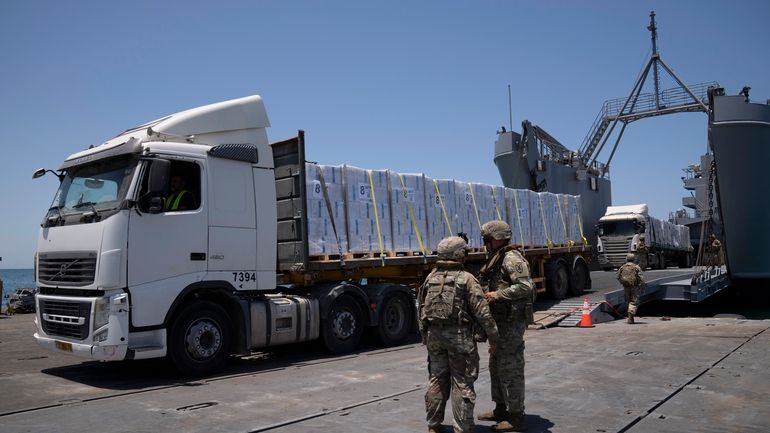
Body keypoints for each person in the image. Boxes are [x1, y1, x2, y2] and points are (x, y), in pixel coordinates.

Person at [418, 236, 499, 433]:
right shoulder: (466, 279)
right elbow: (482, 312)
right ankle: (461, 428)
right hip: (460, 338)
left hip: (434, 336)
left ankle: (434, 426)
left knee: (436, 379)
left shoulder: (431, 277)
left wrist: (425, 337)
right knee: (461, 382)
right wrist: (493, 337)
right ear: (460, 255)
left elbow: (421, 310)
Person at [477, 220, 534, 432]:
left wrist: (497, 295)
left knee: (511, 369)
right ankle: (501, 408)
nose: (485, 243)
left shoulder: (511, 259)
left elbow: (525, 287)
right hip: (500, 323)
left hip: (511, 323)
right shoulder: (497, 257)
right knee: (496, 367)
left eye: (488, 239)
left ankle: (516, 415)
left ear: (498, 238)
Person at [617, 253, 644, 324]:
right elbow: (641, 277)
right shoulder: (636, 267)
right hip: (634, 287)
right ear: (634, 259)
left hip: (626, 287)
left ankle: (629, 317)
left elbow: (618, 276)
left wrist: (623, 283)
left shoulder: (623, 267)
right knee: (634, 301)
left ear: (627, 259)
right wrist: (641, 286)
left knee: (627, 301)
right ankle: (631, 317)